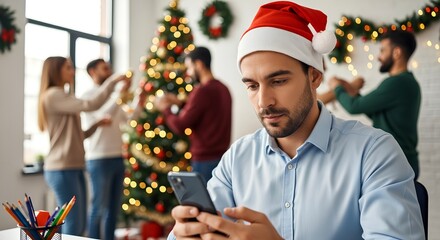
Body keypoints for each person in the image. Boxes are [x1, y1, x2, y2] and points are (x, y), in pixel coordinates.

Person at [168, 2, 424, 240]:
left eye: (278, 81)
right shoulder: (237, 159)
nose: (263, 102)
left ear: (314, 77)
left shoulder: (375, 153)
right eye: (252, 86)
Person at [37, 56, 129, 235]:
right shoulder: (53, 95)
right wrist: (113, 82)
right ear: (56, 71)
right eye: (68, 68)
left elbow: (79, 136)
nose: (72, 71)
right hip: (62, 167)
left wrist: (96, 125)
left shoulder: (64, 96)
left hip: (74, 166)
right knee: (74, 225)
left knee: (75, 225)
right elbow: (91, 104)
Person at [328, 30, 421, 179]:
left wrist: (336, 87)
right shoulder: (408, 82)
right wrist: (350, 89)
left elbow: (354, 107)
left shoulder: (397, 83)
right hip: (402, 160)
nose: (379, 56)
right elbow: (372, 109)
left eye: (383, 50)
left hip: (396, 163)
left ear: (397, 52)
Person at [81, 59, 145, 240]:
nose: (109, 72)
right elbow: (104, 117)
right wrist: (119, 94)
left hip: (118, 157)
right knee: (98, 208)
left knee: (113, 210)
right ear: (93, 71)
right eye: (104, 68)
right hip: (98, 158)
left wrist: (139, 103)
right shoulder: (89, 97)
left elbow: (128, 121)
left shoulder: (112, 97)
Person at [155, 46, 232, 182]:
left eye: (190, 67)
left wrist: (165, 109)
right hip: (223, 158)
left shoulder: (202, 91)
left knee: (204, 203)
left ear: (199, 64)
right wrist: (179, 103)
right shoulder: (223, 89)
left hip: (204, 161)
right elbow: (207, 113)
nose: (189, 73)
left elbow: (180, 125)